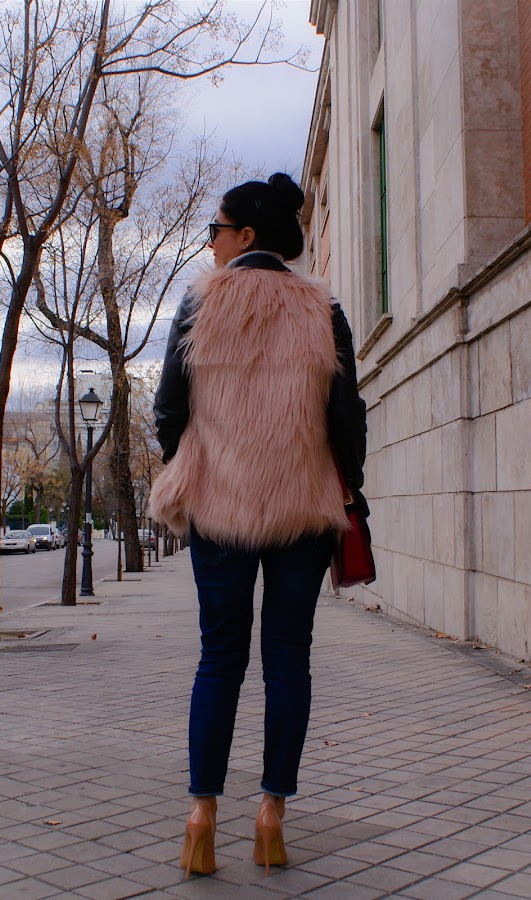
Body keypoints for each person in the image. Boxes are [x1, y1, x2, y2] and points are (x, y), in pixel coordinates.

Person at [149, 172, 367, 878]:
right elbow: (345, 417)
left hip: (220, 507)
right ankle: (272, 814)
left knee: (220, 657)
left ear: (245, 235)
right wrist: (349, 488)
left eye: (214, 229)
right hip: (303, 506)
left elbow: (168, 410)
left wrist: (191, 458)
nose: (209, 241)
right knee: (288, 660)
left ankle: (200, 817)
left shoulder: (196, 305)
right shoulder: (321, 308)